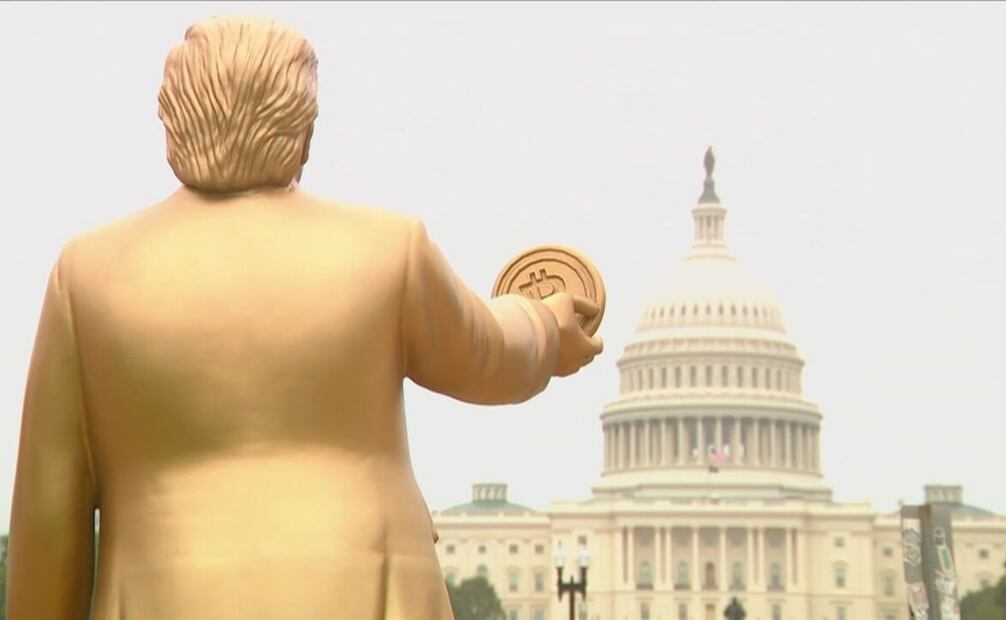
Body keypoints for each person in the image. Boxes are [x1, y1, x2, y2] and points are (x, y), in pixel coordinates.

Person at [5, 16, 602, 620]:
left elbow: (48, 518)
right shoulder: (387, 248)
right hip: (373, 592)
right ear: (304, 131)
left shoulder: (87, 275)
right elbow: (491, 356)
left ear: (170, 122)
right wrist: (548, 323)